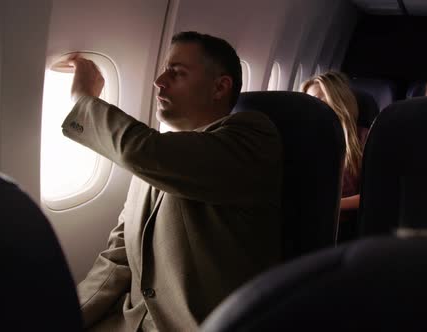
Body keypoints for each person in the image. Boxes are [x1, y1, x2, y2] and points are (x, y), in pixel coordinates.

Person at [62, 31, 283, 331]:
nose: (159, 81)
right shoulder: (158, 159)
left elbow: (144, 150)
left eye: (177, 73)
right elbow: (118, 259)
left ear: (220, 87)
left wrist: (83, 100)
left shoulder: (252, 138)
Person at [301, 71, 368, 242]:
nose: (313, 106)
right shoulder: (302, 138)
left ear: (339, 101)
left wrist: (330, 206)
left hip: (345, 227)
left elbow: (374, 194)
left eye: (319, 99)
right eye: (309, 100)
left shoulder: (365, 139)